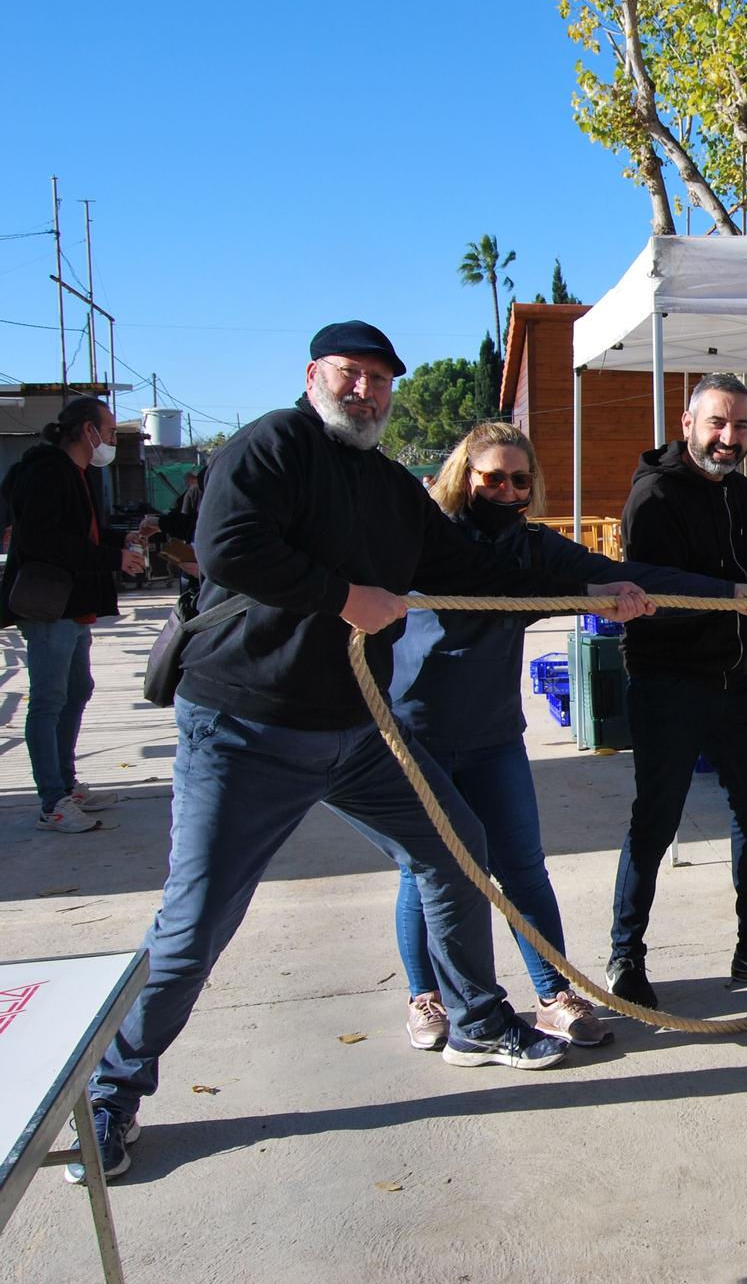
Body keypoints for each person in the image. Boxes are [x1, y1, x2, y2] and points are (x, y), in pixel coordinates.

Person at [74, 321, 650, 1184]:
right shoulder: (271, 445)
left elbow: (472, 565)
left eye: (380, 382)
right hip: (244, 729)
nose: (366, 393)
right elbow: (230, 547)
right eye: (352, 375)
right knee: (194, 929)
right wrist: (344, 595)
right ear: (314, 374)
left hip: (356, 732)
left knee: (457, 850)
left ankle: (478, 1019)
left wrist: (593, 585)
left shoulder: (387, 486)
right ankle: (112, 1091)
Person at [388, 421, 747, 1049]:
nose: (508, 491)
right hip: (418, 733)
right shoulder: (428, 540)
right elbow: (497, 585)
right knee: (432, 869)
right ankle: (425, 995)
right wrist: (581, 595)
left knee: (523, 866)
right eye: (493, 478)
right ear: (466, 477)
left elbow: (628, 573)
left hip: (493, 736)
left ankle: (551, 991)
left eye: (520, 479)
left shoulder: (533, 547)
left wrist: (733, 592)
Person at [607, 373, 747, 1004]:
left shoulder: (737, 491)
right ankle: (625, 957)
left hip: (731, 677)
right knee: (655, 821)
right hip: (666, 681)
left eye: (740, 426)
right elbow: (658, 595)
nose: (729, 438)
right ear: (687, 424)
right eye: (717, 423)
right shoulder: (653, 497)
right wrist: (741, 600)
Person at [0, 396, 152, 833]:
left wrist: (123, 541)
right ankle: (52, 801)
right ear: (87, 430)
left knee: (76, 690)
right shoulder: (48, 472)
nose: (110, 440)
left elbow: (83, 532)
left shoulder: (78, 475)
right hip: (50, 606)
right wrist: (112, 559)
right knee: (48, 700)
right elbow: (43, 540)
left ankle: (66, 785)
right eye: (107, 431)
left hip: (74, 606)